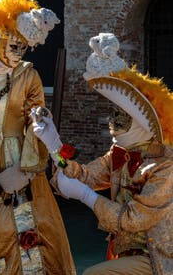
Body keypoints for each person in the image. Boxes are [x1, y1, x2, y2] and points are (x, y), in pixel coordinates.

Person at [32, 33, 173, 275]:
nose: (113, 121)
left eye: (123, 115)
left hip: (158, 258)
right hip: (124, 251)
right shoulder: (121, 152)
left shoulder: (165, 166)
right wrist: (54, 146)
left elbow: (133, 220)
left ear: (144, 123)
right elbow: (85, 176)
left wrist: (87, 197)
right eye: (115, 112)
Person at [0, 0, 76, 274]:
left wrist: (39, 121)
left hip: (21, 161)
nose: (20, 53)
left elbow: (36, 121)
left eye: (24, 47)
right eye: (14, 46)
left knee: (33, 230)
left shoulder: (29, 76)